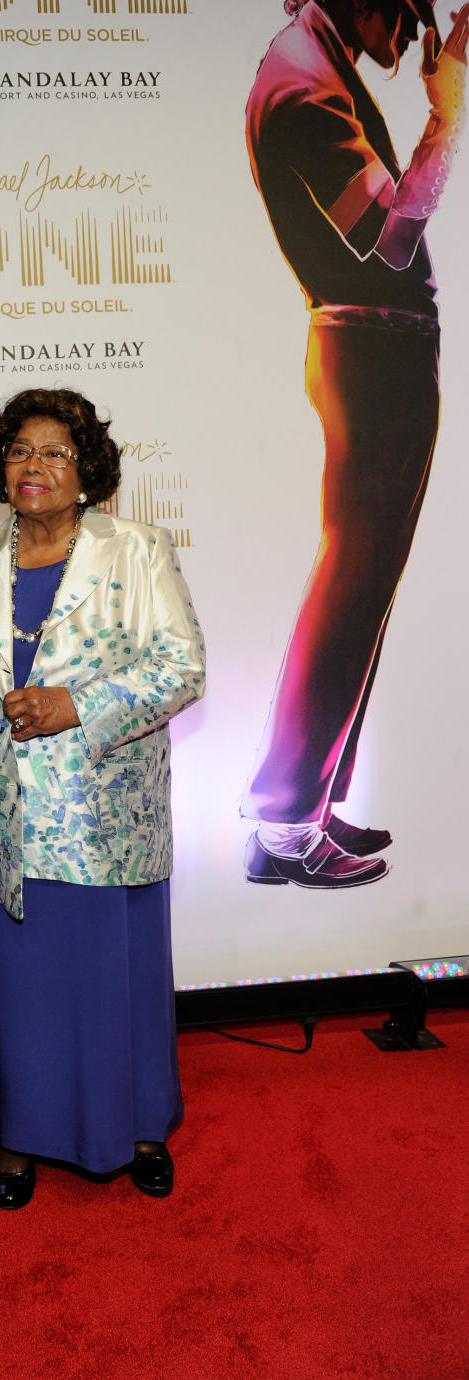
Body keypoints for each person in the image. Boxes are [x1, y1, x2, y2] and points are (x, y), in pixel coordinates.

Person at [0, 388, 205, 1208]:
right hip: (3, 819)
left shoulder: (138, 549)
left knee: (110, 981)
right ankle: (21, 1133)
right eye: (19, 450)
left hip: (104, 814)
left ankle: (141, 1128)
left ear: (87, 470)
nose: (35, 466)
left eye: (56, 452)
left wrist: (77, 704)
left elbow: (181, 668)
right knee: (21, 985)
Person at [241, 0, 467, 887]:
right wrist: (448, 113)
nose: (411, 37)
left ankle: (306, 804)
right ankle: (287, 816)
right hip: (368, 352)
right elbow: (390, 234)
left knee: (361, 581)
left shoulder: (310, 63)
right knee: (351, 580)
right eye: (409, 12)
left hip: (377, 348)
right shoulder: (302, 81)